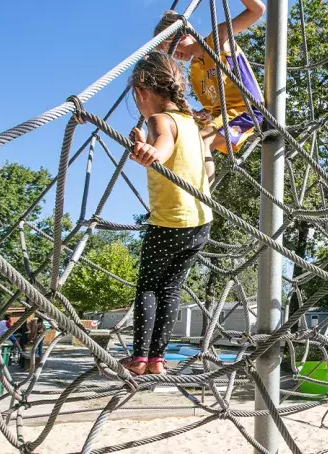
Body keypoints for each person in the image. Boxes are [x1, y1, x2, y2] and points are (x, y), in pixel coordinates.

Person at [121, 51, 213, 376]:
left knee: (148, 287)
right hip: (200, 223)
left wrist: (151, 151)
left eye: (137, 99)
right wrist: (145, 144)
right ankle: (158, 359)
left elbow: (163, 147)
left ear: (143, 92)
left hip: (169, 223)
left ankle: (140, 358)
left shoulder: (159, 119)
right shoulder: (192, 123)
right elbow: (203, 166)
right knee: (171, 288)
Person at [152, 0, 266, 164]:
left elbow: (257, 10)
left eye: (171, 46)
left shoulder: (217, 39)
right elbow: (212, 109)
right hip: (224, 116)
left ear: (183, 34)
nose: (174, 54)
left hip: (246, 110)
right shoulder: (195, 71)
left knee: (200, 141)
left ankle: (200, 190)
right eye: (167, 52)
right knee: (178, 139)